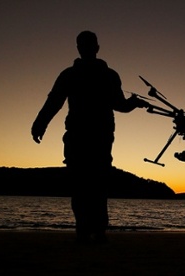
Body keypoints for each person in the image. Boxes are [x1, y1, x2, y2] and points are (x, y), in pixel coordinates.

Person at [31, 30, 149, 243]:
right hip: (83, 135)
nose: (85, 48)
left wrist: (134, 103)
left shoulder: (100, 74)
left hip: (96, 135)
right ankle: (88, 230)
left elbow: (119, 104)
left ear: (94, 47)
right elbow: (55, 101)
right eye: (83, 44)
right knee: (87, 183)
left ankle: (93, 230)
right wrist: (40, 123)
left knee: (91, 183)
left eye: (87, 44)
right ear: (88, 48)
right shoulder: (78, 74)